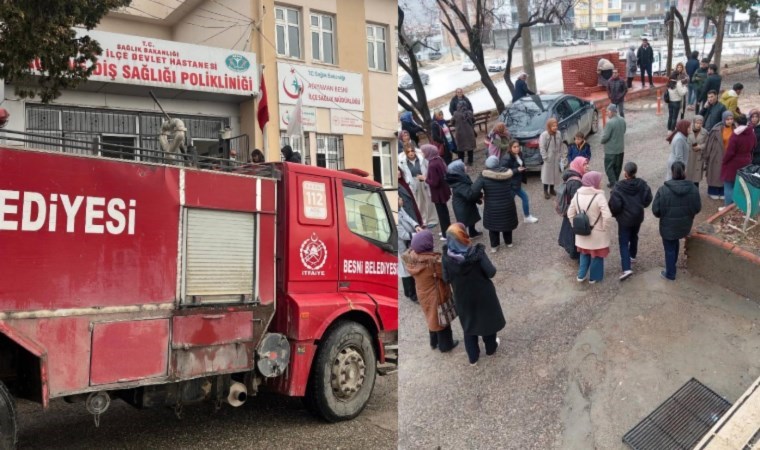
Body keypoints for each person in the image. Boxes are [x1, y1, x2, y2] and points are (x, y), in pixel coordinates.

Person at [441, 223, 505, 367]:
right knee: (487, 321)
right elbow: (491, 272)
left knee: (469, 326)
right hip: (483, 295)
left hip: (462, 297)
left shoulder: (446, 258)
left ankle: (473, 358)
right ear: (464, 235)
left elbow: (446, 278)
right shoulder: (476, 253)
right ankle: (490, 349)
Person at [401, 230, 458, 352]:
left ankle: (434, 342)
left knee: (430, 316)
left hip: (422, 292)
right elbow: (445, 274)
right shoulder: (431, 262)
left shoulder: (412, 257)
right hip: (436, 294)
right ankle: (446, 345)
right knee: (441, 319)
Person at [652, 161, 701, 281]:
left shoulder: (663, 190)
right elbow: (697, 208)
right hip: (684, 225)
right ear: (684, 172)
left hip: (668, 226)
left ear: (672, 172)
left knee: (669, 247)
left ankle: (670, 274)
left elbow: (656, 210)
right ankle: (672, 265)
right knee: (675, 241)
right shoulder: (693, 188)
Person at [609, 162, 653, 281]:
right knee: (634, 236)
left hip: (624, 220)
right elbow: (648, 199)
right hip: (638, 217)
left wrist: (615, 214)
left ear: (625, 173)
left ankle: (626, 268)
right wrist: (641, 206)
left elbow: (615, 205)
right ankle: (632, 255)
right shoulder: (642, 184)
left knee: (623, 242)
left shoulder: (618, 187)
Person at [567, 171, 613, 284]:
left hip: (582, 233)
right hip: (597, 233)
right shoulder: (599, 196)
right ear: (594, 182)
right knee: (597, 255)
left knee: (584, 253)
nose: (601, 182)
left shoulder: (577, 194)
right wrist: (604, 227)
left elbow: (570, 213)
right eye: (599, 180)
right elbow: (607, 216)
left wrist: (575, 226)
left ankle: (581, 275)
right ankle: (594, 277)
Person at [472, 156, 518, 253]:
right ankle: (509, 242)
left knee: (493, 226)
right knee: (507, 223)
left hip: (492, 206)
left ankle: (494, 246)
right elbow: (515, 185)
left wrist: (481, 196)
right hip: (508, 204)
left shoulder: (483, 176)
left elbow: (473, 191)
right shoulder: (507, 173)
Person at [721, 114, 756, 207]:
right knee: (741, 186)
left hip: (733, 163)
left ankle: (727, 207)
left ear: (736, 123)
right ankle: (739, 207)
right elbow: (754, 145)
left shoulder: (735, 135)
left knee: (728, 186)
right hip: (746, 162)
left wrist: (724, 161)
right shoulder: (751, 132)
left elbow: (730, 152)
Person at [399, 143, 438, 228]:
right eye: (408, 152)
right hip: (414, 181)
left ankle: (432, 219)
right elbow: (404, 174)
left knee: (429, 200)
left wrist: (427, 177)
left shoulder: (421, 158)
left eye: (412, 151)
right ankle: (423, 220)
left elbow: (428, 167)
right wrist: (408, 182)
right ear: (406, 153)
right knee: (419, 202)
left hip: (424, 179)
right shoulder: (403, 162)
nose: (411, 153)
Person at [558, 156, 589, 260]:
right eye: (584, 164)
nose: (587, 166)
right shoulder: (576, 182)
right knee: (572, 234)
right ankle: (573, 252)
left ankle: (571, 249)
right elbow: (576, 201)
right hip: (573, 213)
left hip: (568, 211)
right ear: (579, 165)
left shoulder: (573, 176)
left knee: (568, 230)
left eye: (586, 164)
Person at [502, 140, 539, 223]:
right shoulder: (507, 158)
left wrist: (522, 169)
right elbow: (503, 171)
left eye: (518, 146)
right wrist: (516, 170)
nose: (517, 148)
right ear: (510, 148)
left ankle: (505, 218)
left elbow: (520, 164)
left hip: (516, 182)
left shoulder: (519, 154)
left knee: (509, 201)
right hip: (511, 184)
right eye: (514, 147)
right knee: (523, 198)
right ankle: (526, 217)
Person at [445, 160, 482, 237]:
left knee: (471, 219)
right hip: (462, 206)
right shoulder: (459, 182)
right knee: (463, 224)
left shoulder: (460, 177)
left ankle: (473, 232)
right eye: (463, 166)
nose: (465, 167)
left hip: (466, 203)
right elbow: (470, 194)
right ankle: (462, 238)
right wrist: (479, 188)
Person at [422, 144, 452, 239]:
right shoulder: (438, 159)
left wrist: (425, 178)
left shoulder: (432, 165)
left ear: (428, 152)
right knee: (445, 212)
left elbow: (434, 183)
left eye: (424, 152)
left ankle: (445, 234)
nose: (422, 154)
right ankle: (446, 230)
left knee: (442, 214)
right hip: (443, 190)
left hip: (438, 193)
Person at [704, 111, 734, 199]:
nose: (730, 121)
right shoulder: (716, 130)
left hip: (729, 156)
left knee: (726, 174)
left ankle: (723, 191)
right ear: (723, 119)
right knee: (715, 173)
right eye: (728, 119)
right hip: (717, 155)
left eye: (731, 119)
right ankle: (713, 191)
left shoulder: (735, 129)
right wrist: (707, 157)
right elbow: (709, 144)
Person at [398, 197, 423, 302]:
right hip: (402, 246)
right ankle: (412, 294)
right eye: (399, 199)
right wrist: (417, 235)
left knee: (408, 267)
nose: (401, 200)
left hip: (408, 243)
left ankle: (409, 292)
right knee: (406, 270)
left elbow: (408, 217)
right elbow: (403, 235)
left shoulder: (400, 209)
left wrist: (416, 225)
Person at [601, 104, 627, 188]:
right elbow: (624, 131)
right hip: (620, 149)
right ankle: (614, 182)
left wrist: (601, 140)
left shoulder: (610, 123)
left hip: (610, 151)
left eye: (608, 111)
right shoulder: (622, 120)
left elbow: (605, 137)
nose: (607, 113)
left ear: (612, 112)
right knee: (617, 167)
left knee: (609, 168)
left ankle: (615, 185)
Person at [539, 117, 565, 199]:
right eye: (553, 126)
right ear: (549, 126)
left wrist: (560, 154)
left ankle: (552, 189)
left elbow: (561, 144)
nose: (555, 127)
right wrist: (545, 157)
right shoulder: (544, 135)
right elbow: (542, 147)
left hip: (556, 157)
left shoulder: (558, 133)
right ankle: (545, 191)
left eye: (556, 125)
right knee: (547, 175)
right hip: (548, 159)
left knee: (554, 174)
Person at [451, 101, 476, 166]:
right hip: (469, 133)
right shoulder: (469, 113)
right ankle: (470, 161)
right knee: (470, 147)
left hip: (460, 134)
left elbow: (452, 122)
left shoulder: (455, 114)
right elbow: (473, 120)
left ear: (458, 106)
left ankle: (461, 162)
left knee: (460, 149)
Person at [686, 115, 708, 186]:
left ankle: (695, 192)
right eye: (697, 123)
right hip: (689, 156)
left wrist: (700, 147)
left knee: (696, 178)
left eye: (700, 123)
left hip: (698, 156)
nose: (698, 125)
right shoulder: (688, 130)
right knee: (687, 176)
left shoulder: (705, 132)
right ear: (694, 122)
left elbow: (707, 143)